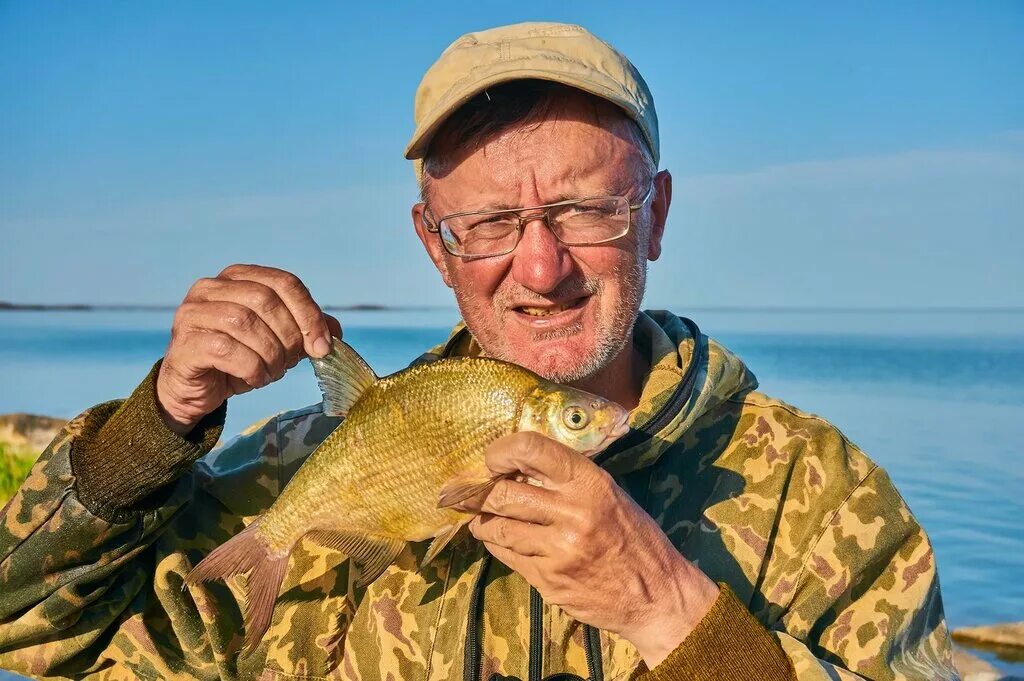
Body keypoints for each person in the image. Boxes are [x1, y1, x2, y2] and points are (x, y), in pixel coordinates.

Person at [0, 22, 956, 681]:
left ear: (655, 216)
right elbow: (34, 638)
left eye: (584, 209)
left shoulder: (820, 498)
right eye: (492, 222)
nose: (540, 267)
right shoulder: (294, 473)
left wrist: (674, 615)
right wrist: (153, 428)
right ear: (433, 243)